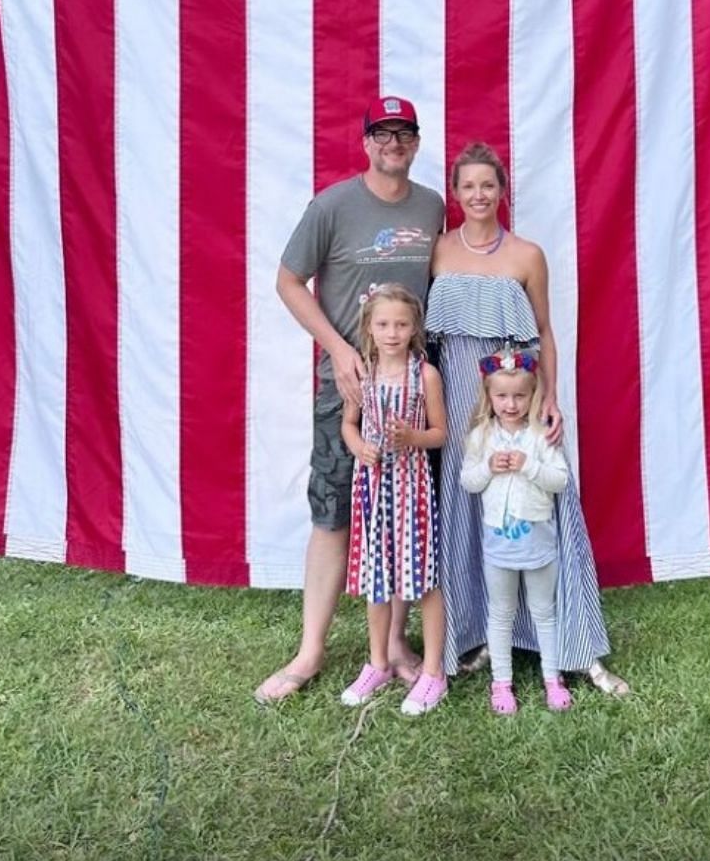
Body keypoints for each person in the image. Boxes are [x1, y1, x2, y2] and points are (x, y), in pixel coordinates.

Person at [254, 98, 445, 703]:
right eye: (382, 132)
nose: (393, 142)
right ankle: (310, 651)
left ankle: (393, 645)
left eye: (404, 132)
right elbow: (288, 280)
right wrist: (338, 349)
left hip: (412, 392)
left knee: (404, 516)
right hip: (351, 390)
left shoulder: (432, 206)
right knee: (335, 512)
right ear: (365, 142)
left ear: (415, 142)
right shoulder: (332, 206)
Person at [426, 141, 629, 696]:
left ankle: (572, 643)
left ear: (502, 191)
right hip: (465, 405)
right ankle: (472, 634)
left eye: (487, 185)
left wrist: (551, 399)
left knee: (545, 504)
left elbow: (544, 332)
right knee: (467, 510)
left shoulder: (527, 255)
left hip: (519, 396)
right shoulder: (439, 251)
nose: (477, 195)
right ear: (456, 192)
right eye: (467, 186)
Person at [341, 286, 448, 715]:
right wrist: (358, 446)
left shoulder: (425, 376)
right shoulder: (362, 373)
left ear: (414, 328)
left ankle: (434, 672)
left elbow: (441, 432)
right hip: (371, 487)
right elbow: (349, 424)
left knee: (423, 577)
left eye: (401, 324)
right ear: (369, 326)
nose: (392, 333)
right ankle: (378, 662)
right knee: (377, 577)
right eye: (383, 324)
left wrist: (413, 437)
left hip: (412, 488)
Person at [461, 353, 571, 713]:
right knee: (501, 613)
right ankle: (501, 683)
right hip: (499, 546)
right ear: (489, 397)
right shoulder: (481, 438)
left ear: (532, 395)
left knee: (544, 611)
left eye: (519, 396)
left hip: (538, 542)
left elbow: (560, 481)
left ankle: (552, 678)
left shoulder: (541, 436)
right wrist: (489, 468)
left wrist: (529, 466)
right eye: (502, 397)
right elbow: (468, 482)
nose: (511, 404)